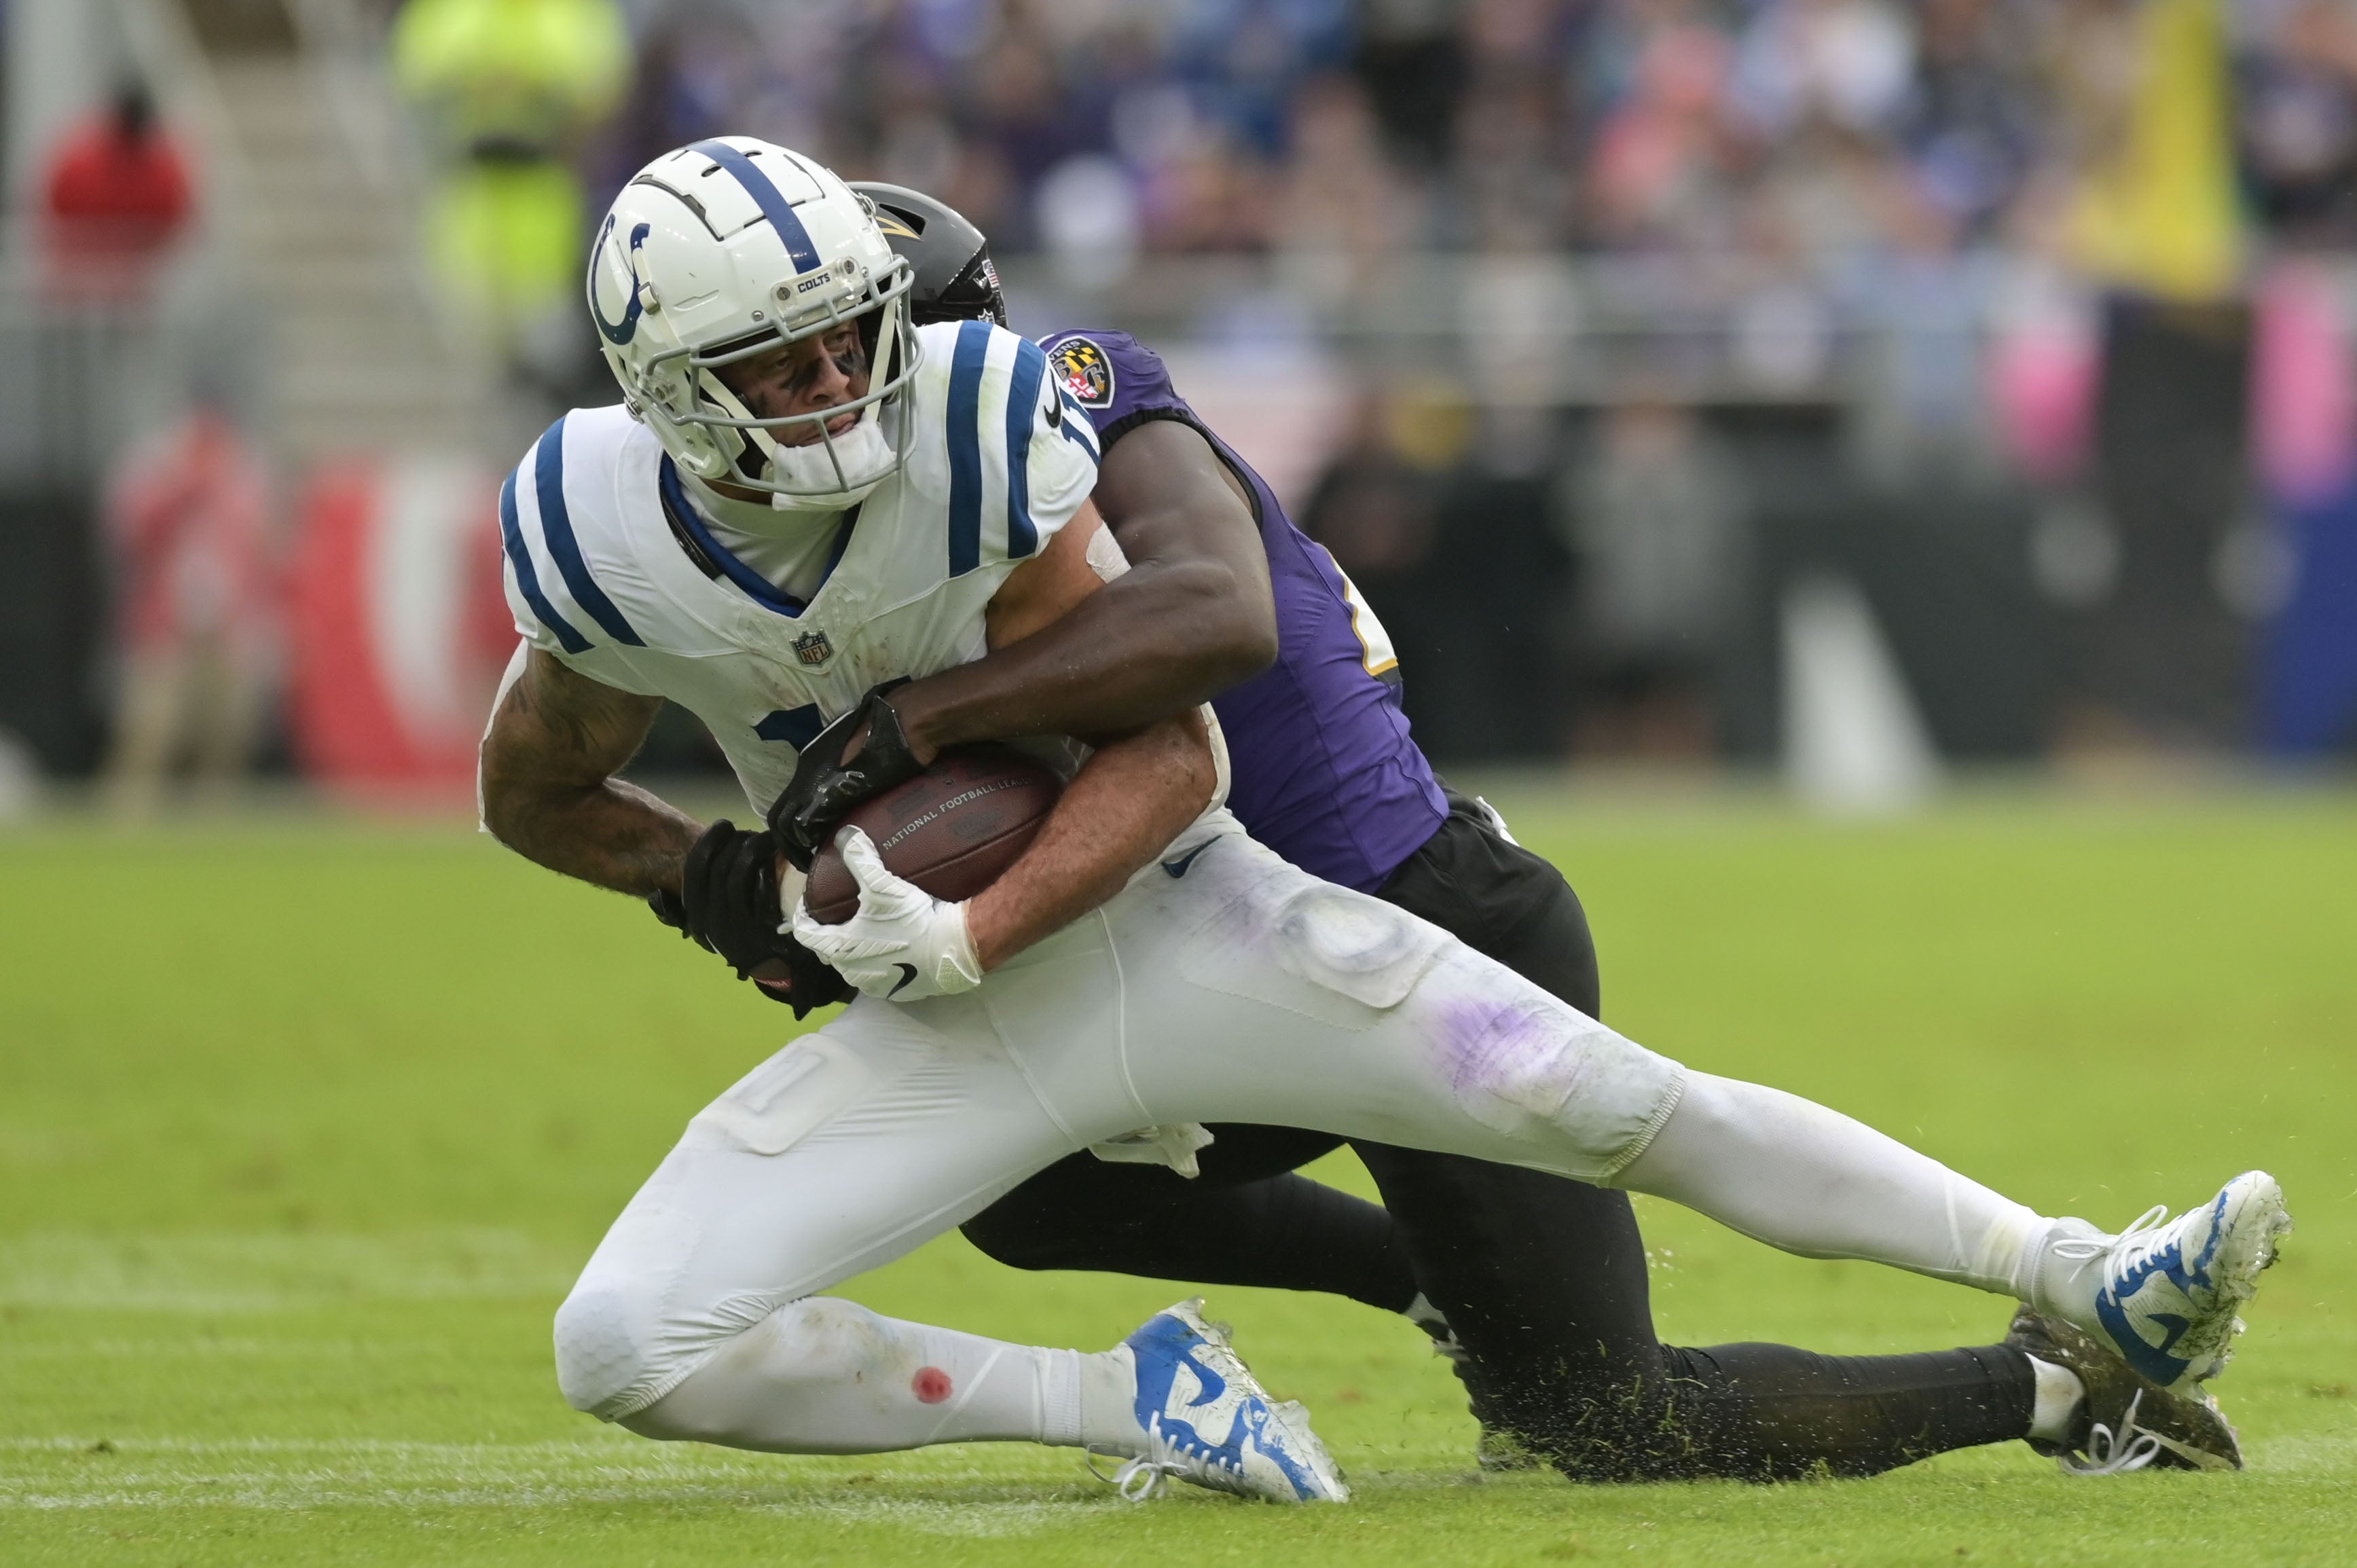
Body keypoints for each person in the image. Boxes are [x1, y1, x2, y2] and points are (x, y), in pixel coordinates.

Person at [477, 138, 2288, 1504]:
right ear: (666, 390)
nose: (845, 386)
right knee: (640, 1334)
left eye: (859, 336)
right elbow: (538, 781)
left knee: (1616, 1132)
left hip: (1226, 910)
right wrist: (714, 877)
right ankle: (1138, 1401)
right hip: (968, 1004)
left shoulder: (1016, 419)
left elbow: (1182, 731)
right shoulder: (594, 528)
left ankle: (2083, 1285)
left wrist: (940, 864)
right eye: (781, 365)